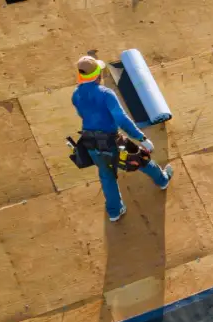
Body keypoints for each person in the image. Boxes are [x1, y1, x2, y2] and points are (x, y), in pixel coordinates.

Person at [72, 55, 173, 222]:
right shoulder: (106, 94)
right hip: (112, 141)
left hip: (90, 142)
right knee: (141, 159)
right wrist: (141, 138)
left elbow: (82, 114)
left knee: (106, 175)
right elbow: (121, 119)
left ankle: (114, 211)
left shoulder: (76, 95)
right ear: (98, 74)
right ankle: (162, 180)